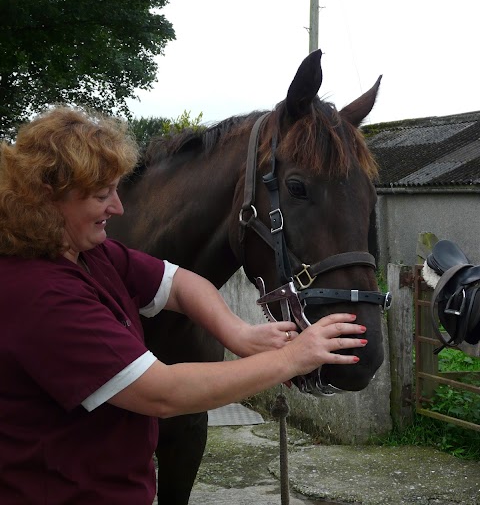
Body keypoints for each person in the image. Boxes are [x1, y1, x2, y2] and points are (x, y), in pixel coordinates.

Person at [0, 105, 368, 504]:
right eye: (102, 195)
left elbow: (178, 283)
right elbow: (162, 393)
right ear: (47, 198)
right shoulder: (42, 294)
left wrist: (240, 334)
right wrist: (291, 359)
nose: (118, 208)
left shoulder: (89, 253)